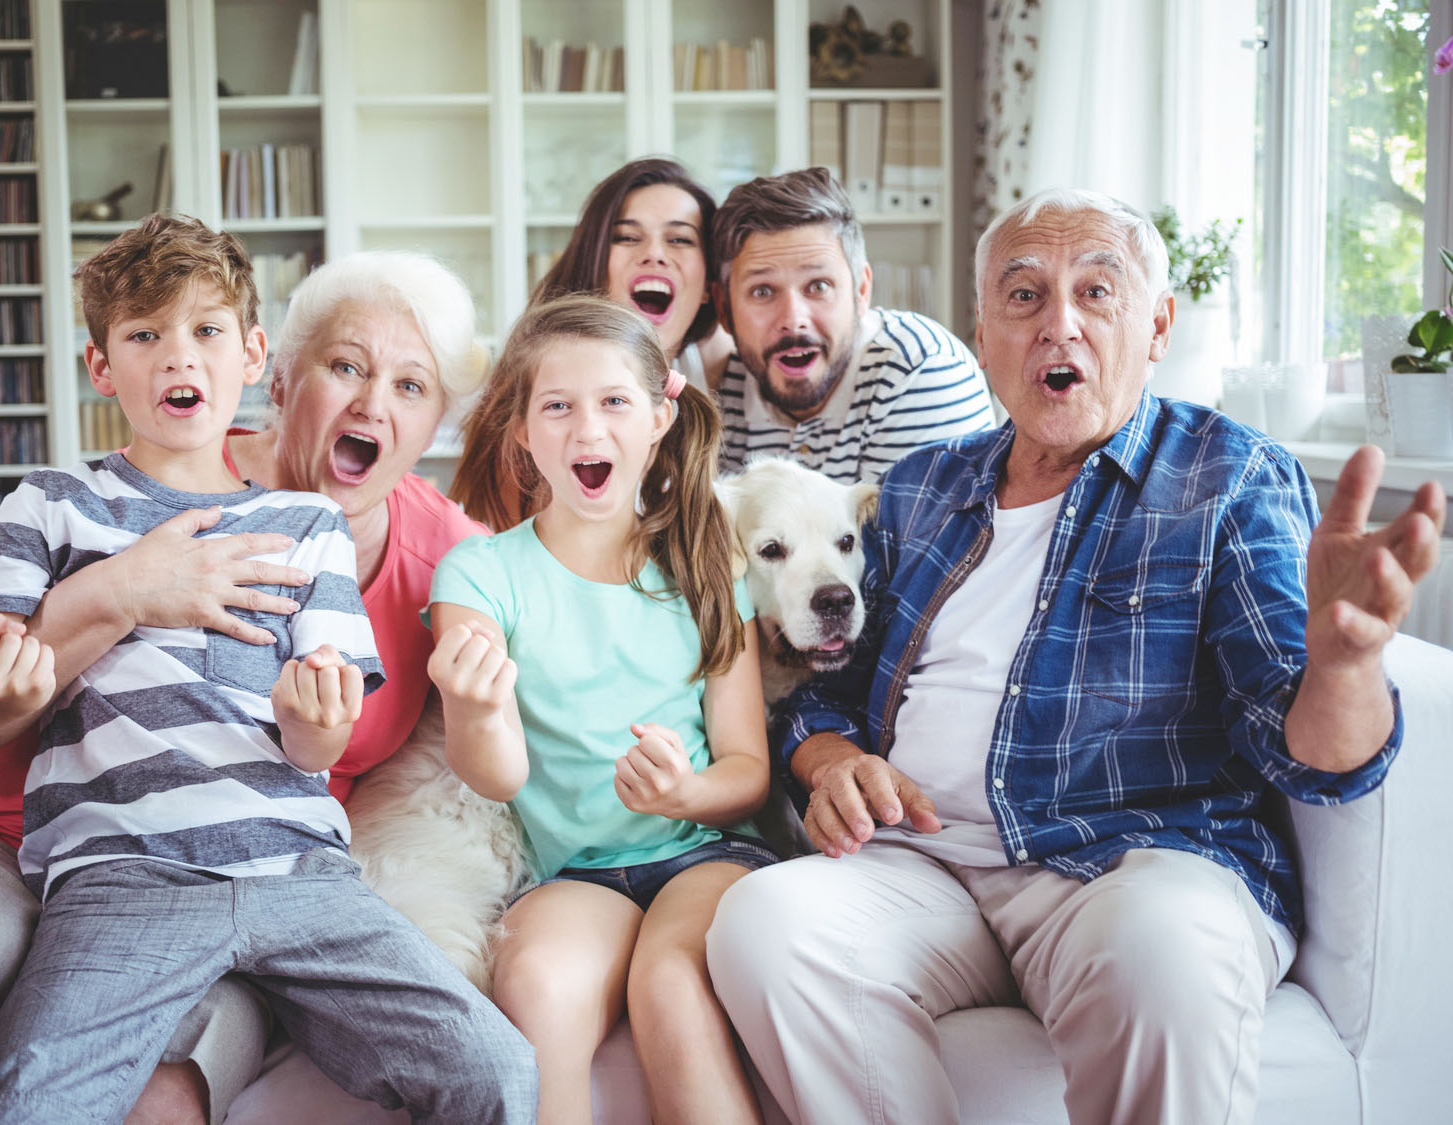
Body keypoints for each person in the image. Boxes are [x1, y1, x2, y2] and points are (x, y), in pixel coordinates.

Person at [704, 188, 1447, 1124]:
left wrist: (1342, 663)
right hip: (924, 866)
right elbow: (829, 690)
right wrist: (830, 759)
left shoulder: (1229, 476)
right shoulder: (923, 487)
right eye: (1023, 296)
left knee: (1161, 949)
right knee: (766, 925)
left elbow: (1313, 760)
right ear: (983, 332)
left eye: (1098, 292)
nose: (1059, 323)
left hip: (1140, 861)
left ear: (1157, 325)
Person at [0, 242, 511, 1125]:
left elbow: (511, 687)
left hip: (247, 861)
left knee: (165, 1093)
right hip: (13, 828)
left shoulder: (438, 557)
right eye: (344, 366)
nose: (370, 402)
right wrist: (124, 589)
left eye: (411, 385)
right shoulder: (92, 493)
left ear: (438, 419)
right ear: (278, 374)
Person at [429, 295, 778, 1123]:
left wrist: (682, 794)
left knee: (670, 978)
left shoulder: (707, 562)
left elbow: (748, 770)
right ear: (521, 430)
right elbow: (497, 771)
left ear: (661, 416)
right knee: (537, 979)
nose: (587, 429)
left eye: (614, 401)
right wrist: (474, 710)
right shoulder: (479, 576)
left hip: (704, 850)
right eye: (557, 406)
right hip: (578, 872)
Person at [454, 156, 731, 531]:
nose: (654, 253)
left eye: (680, 239)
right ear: (595, 266)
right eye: (628, 237)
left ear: (707, 287)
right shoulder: (534, 403)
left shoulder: (713, 370)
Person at [709, 166, 995, 482]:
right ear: (723, 308)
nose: (793, 320)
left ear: (861, 291)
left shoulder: (922, 371)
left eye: (818, 286)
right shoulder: (719, 387)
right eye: (762, 291)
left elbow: (906, 532)